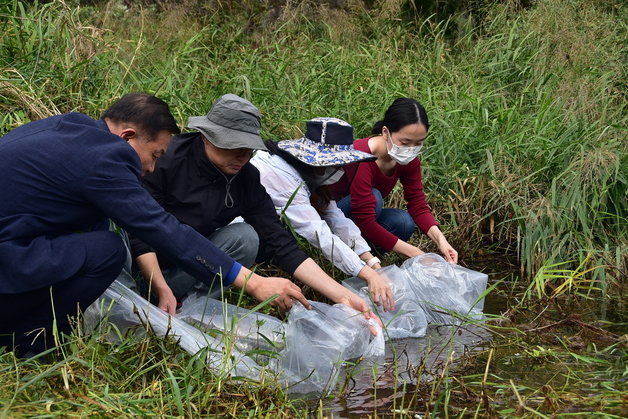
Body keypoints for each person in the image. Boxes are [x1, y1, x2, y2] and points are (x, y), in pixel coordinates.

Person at [0, 93, 310, 357]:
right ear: (127, 136)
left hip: (17, 241)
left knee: (99, 231)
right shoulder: (105, 158)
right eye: (154, 155)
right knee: (106, 250)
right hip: (8, 258)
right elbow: (162, 228)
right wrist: (255, 283)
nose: (150, 168)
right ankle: (29, 339)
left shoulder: (70, 129)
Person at [129, 94, 377, 323]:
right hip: (146, 263)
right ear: (206, 136)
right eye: (233, 147)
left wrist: (343, 295)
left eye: (248, 150)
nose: (242, 157)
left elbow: (280, 242)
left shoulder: (246, 177)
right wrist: (159, 286)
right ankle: (157, 295)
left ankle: (191, 307)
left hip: (191, 260)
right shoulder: (166, 161)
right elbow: (141, 231)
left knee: (245, 237)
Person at [251, 117, 396, 311]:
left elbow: (336, 218)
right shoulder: (279, 175)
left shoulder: (308, 173)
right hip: (250, 236)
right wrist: (367, 274)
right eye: (336, 165)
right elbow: (319, 234)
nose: (339, 170)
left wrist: (373, 263)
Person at [331, 98, 458, 263]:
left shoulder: (409, 159)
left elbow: (417, 204)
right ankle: (346, 253)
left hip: (361, 217)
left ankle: (367, 256)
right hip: (332, 217)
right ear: (385, 133)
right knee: (374, 196)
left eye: (418, 143)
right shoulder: (361, 156)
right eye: (405, 142)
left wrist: (442, 241)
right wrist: (415, 253)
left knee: (403, 222)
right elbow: (364, 220)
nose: (411, 149)